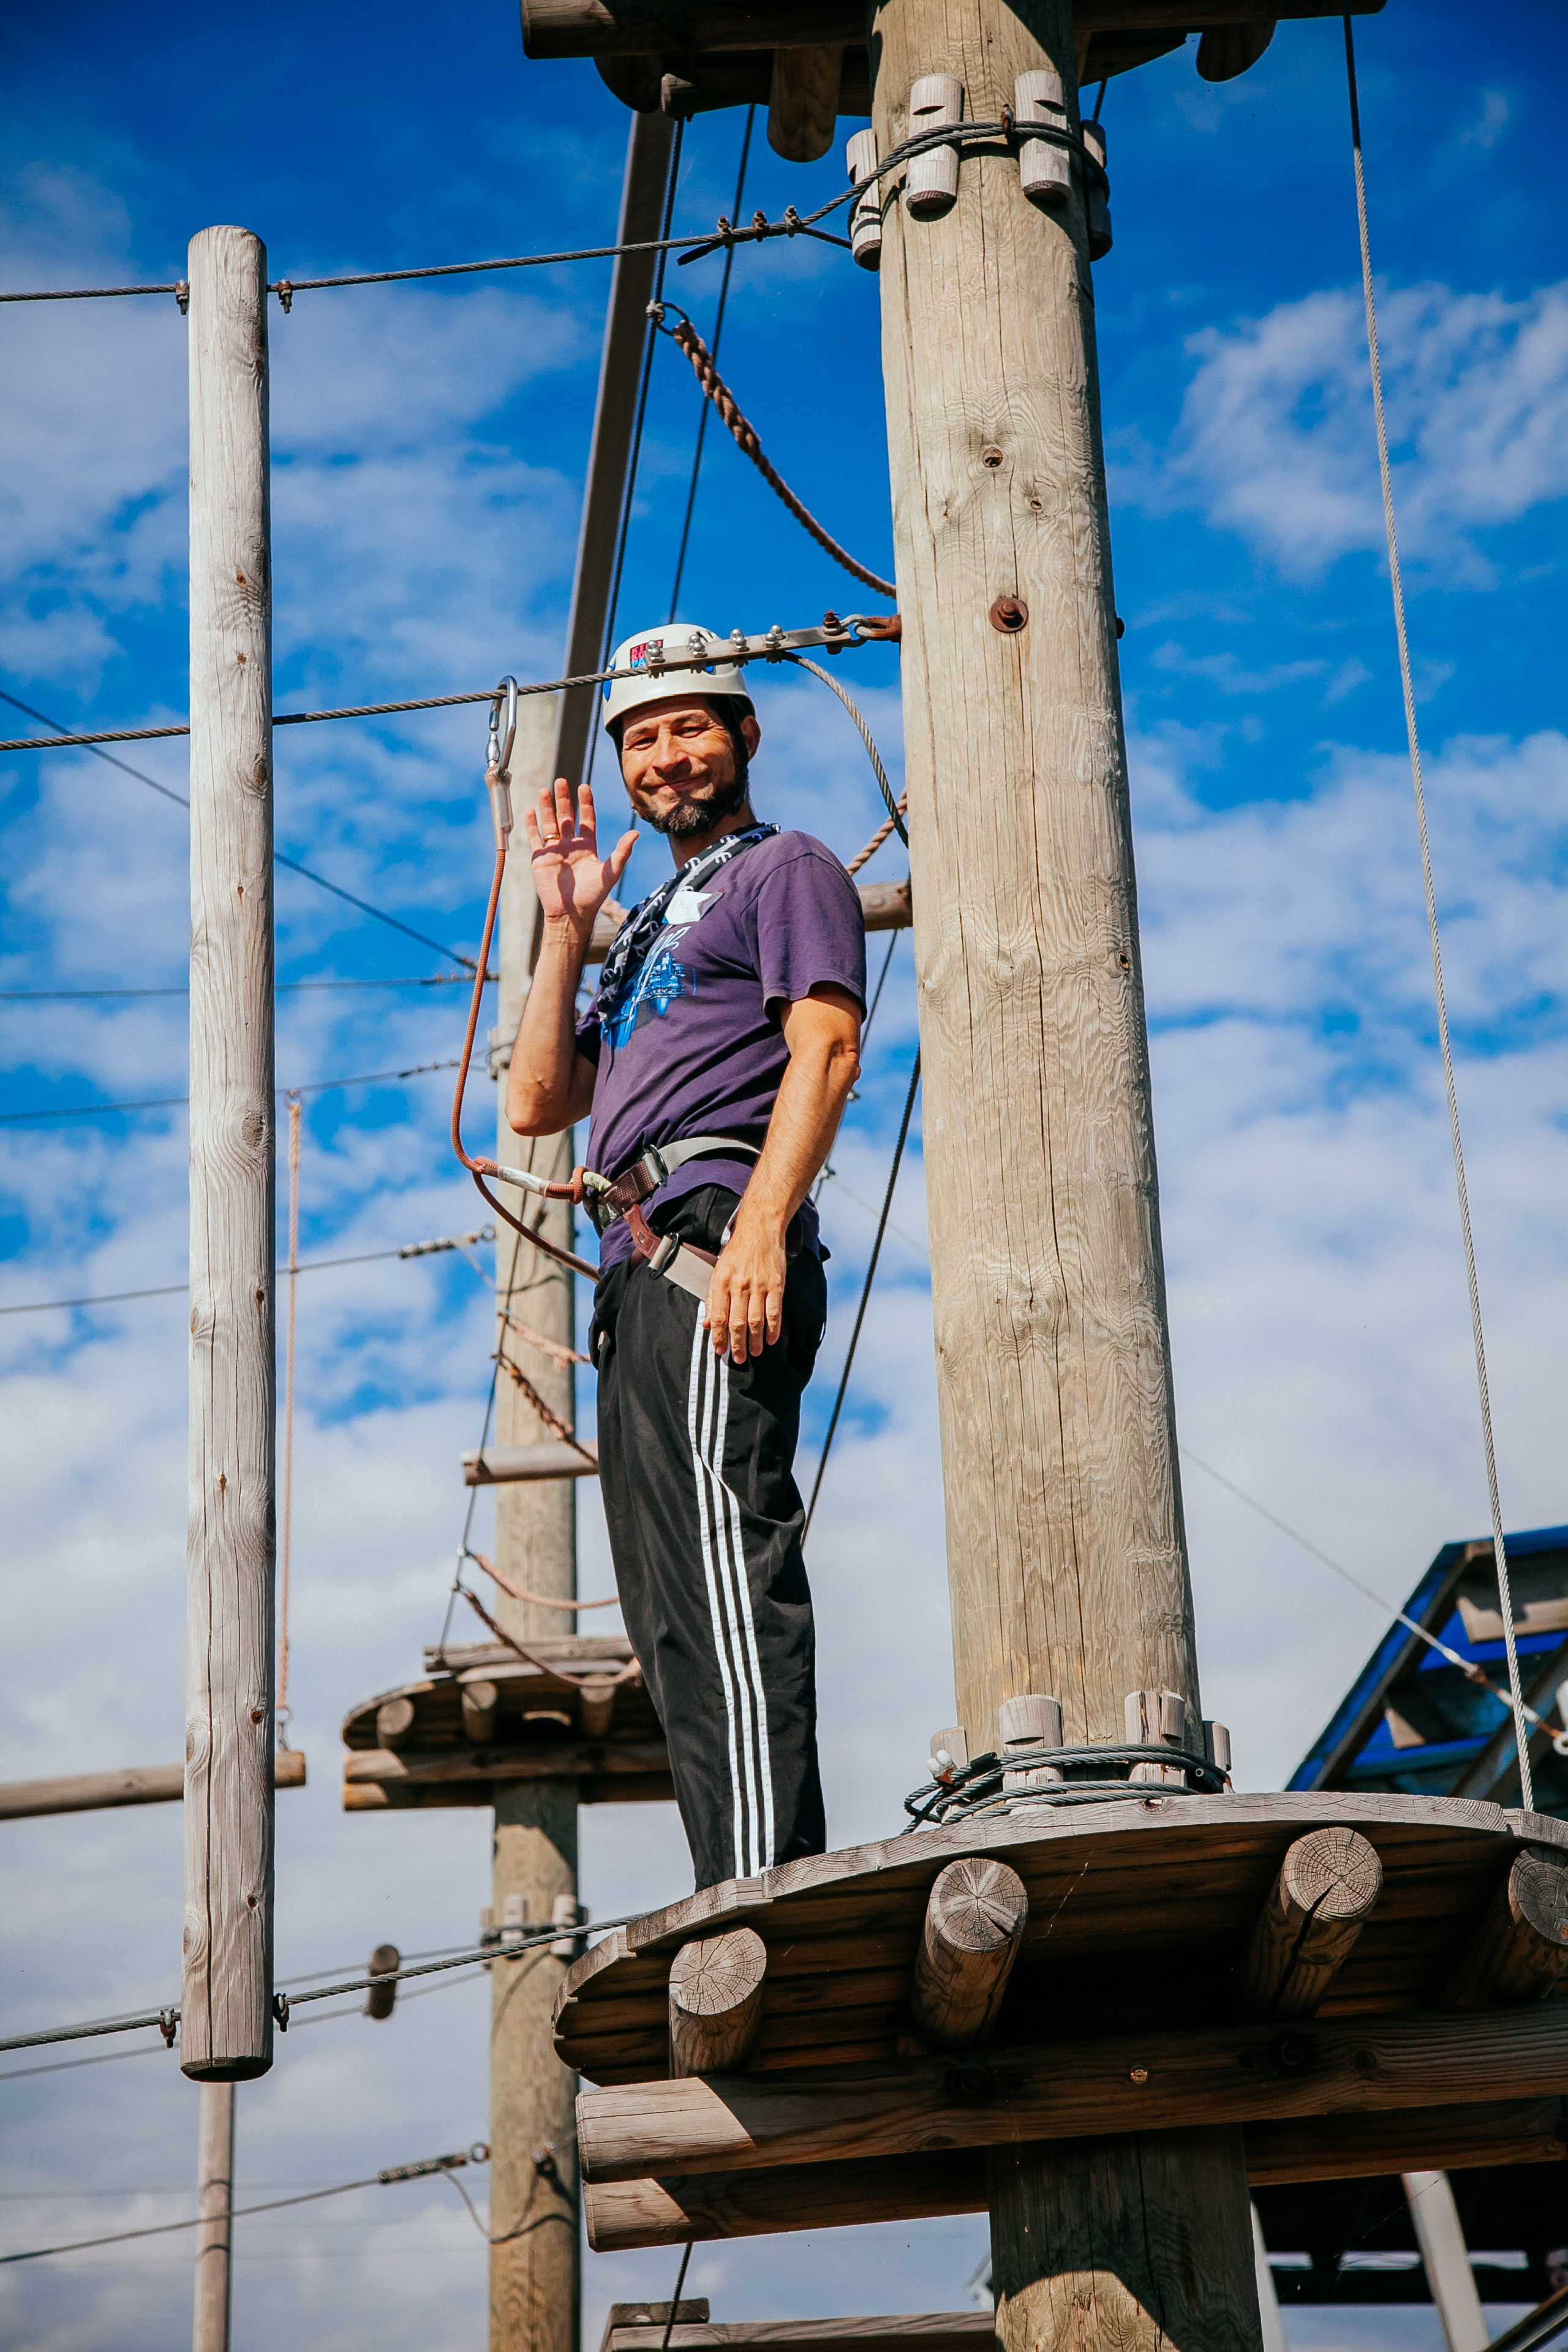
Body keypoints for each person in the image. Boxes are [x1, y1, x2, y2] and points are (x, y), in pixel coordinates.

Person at [505, 625, 867, 1890]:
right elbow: (537, 1101)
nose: (665, 756)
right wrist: (565, 929)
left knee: (727, 1554)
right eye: (642, 738)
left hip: (716, 1238)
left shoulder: (787, 870)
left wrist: (764, 1226)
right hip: (629, 1267)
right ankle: (730, 1880)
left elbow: (822, 1052)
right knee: (666, 1611)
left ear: (743, 735)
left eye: (689, 726)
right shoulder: (647, 919)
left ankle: (772, 1887)